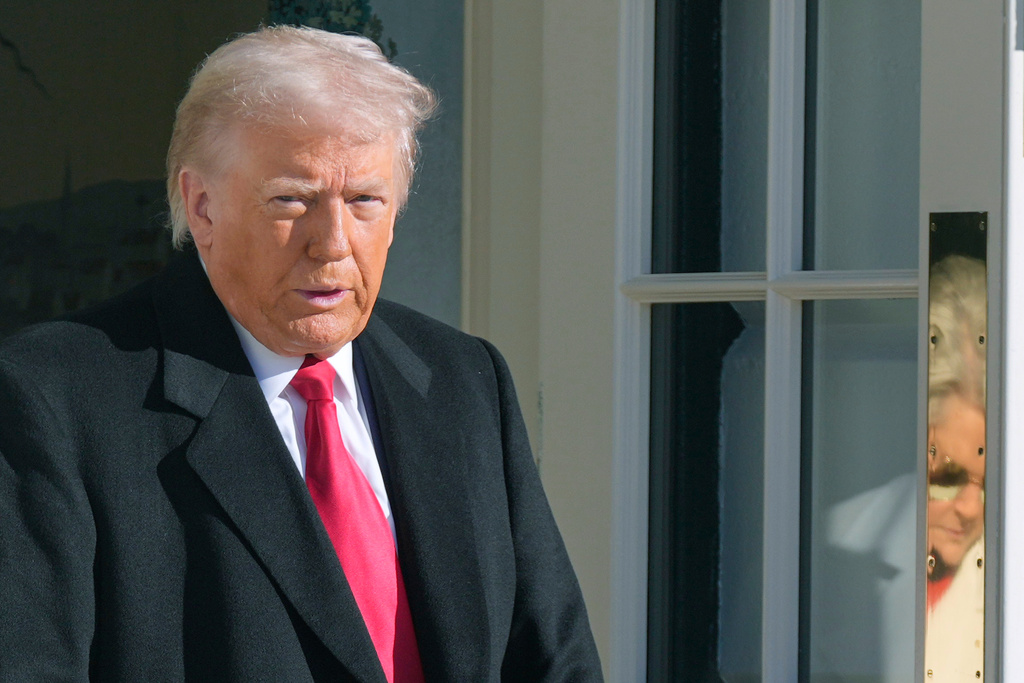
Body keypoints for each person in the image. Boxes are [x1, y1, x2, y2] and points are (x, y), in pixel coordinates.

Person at [0, 26, 602, 682]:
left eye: (365, 200)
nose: (333, 243)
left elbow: (554, 658)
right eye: (294, 199)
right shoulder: (53, 396)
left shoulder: (464, 379)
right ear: (202, 206)